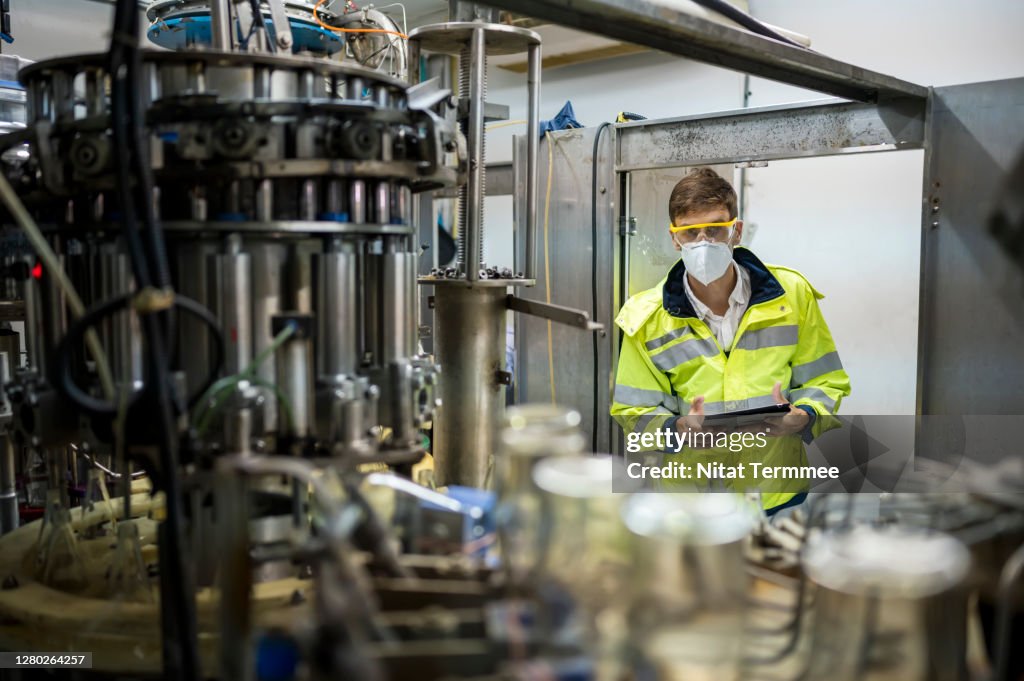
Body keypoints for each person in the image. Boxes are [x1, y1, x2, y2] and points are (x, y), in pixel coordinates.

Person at [610, 167, 851, 514]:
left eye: (715, 228)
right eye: (691, 233)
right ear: (674, 239)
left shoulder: (792, 296)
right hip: (690, 501)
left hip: (774, 493)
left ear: (735, 231)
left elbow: (826, 380)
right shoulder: (645, 317)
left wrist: (806, 416)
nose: (703, 242)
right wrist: (677, 428)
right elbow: (632, 411)